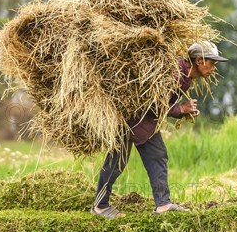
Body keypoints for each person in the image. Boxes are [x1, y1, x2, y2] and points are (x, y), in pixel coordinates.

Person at [91, 41, 227, 218]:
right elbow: (153, 101)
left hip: (146, 124)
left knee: (157, 156)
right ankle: (100, 207)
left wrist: (183, 111)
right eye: (212, 62)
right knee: (116, 162)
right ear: (200, 60)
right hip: (129, 119)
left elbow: (164, 103)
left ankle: (163, 204)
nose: (213, 68)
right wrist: (180, 110)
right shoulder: (175, 72)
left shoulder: (187, 76)